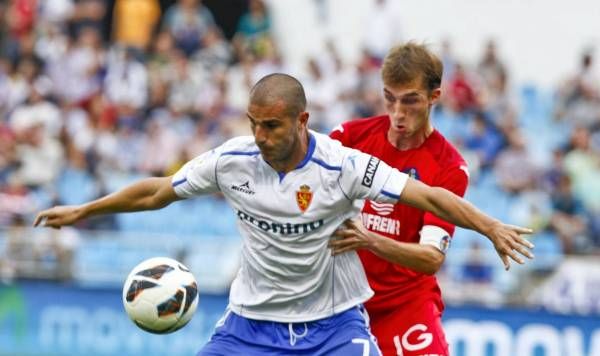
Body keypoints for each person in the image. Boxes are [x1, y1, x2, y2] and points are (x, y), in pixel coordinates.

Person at [34, 73, 533, 355]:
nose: (261, 137)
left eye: (272, 126)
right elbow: (159, 192)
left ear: (301, 121)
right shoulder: (232, 162)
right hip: (250, 326)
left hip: (334, 327)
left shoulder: (342, 165)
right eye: (254, 125)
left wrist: (489, 227)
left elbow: (427, 197)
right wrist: (84, 209)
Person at [329, 43, 533, 356]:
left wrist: (368, 240)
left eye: (410, 100)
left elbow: (431, 258)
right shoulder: (349, 138)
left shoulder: (449, 166)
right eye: (390, 98)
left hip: (404, 306)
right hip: (341, 302)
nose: (397, 113)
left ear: (434, 97)